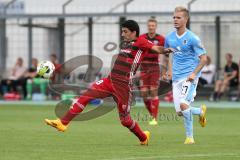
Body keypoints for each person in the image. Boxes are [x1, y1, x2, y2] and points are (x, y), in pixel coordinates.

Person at [45, 20, 169, 145]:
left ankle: (143, 137)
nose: (122, 34)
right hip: (109, 81)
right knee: (86, 96)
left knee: (125, 120)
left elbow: (155, 48)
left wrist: (166, 50)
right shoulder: (126, 44)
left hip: (123, 86)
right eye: (122, 31)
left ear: (134, 32)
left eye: (125, 31)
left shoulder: (141, 41)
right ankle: (63, 123)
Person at [164, 6, 207, 144]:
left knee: (183, 104)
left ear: (186, 19)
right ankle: (200, 111)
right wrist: (169, 71)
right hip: (176, 78)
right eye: (174, 17)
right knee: (180, 112)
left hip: (189, 76)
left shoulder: (193, 38)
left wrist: (194, 74)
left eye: (178, 17)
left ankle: (190, 138)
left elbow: (204, 58)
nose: (175, 20)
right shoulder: (169, 37)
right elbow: (167, 55)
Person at [139, 18, 165, 125]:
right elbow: (138, 52)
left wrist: (164, 70)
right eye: (149, 25)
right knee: (144, 93)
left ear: (156, 26)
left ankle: (154, 118)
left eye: (153, 26)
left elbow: (165, 54)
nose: (151, 27)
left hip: (154, 66)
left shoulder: (161, 39)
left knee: (153, 91)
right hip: (144, 66)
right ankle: (152, 115)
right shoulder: (142, 38)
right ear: (147, 26)